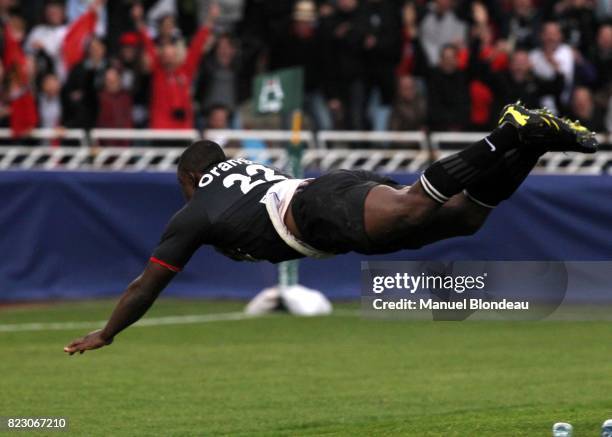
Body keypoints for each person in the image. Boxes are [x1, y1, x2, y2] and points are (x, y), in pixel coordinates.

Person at [63, 103, 598, 354]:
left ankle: (507, 131)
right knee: (465, 216)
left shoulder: (195, 208)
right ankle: (533, 142)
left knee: (416, 205)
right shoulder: (239, 172)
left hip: (318, 212)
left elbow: (145, 284)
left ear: (190, 178)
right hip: (328, 193)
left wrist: (107, 332)